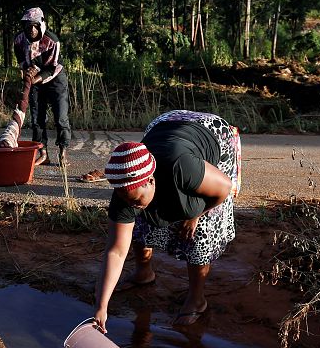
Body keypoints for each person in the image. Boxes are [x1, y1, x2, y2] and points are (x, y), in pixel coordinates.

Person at [93, 110, 242, 332]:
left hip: (209, 132)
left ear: (151, 181)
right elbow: (116, 251)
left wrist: (194, 216)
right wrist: (101, 306)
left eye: (135, 199)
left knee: (200, 232)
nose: (131, 204)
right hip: (163, 125)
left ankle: (197, 299)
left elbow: (224, 189)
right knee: (140, 223)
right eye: (126, 199)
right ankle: (144, 273)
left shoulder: (181, 167)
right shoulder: (126, 192)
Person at [13, 7, 71, 166]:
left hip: (55, 78)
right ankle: (43, 152)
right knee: (37, 117)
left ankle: (63, 151)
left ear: (41, 25)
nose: (32, 29)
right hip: (35, 79)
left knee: (60, 116)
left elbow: (52, 67)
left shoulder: (52, 40)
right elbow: (22, 62)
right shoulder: (18, 40)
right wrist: (27, 72)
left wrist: (35, 78)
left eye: (35, 26)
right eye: (29, 26)